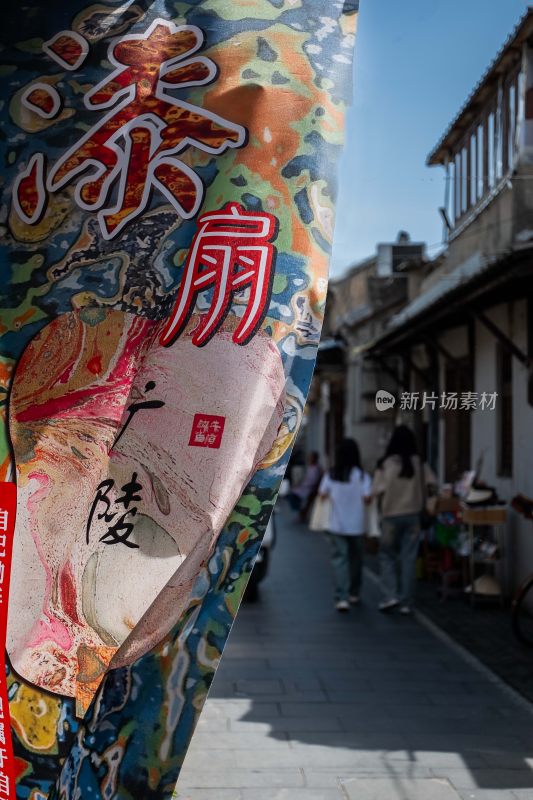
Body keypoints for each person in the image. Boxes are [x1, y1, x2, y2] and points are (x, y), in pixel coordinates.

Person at [372, 425, 436, 615]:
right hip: (413, 517)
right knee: (409, 558)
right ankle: (407, 602)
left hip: (390, 517)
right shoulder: (420, 464)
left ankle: (390, 596)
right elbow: (433, 486)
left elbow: (376, 490)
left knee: (387, 556)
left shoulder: (386, 464)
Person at [318, 438, 372, 612]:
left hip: (337, 525)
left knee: (340, 560)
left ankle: (341, 597)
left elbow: (321, 495)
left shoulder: (331, 474)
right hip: (357, 526)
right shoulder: (362, 476)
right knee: (356, 560)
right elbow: (367, 498)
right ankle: (354, 592)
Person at [288, 451, 322, 520]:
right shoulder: (311, 467)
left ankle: (302, 513)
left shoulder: (316, 468)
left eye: (311, 458)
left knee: (297, 495)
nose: (309, 459)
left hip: (309, 488)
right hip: (305, 487)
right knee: (293, 493)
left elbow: (312, 481)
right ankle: (301, 513)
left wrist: (303, 485)